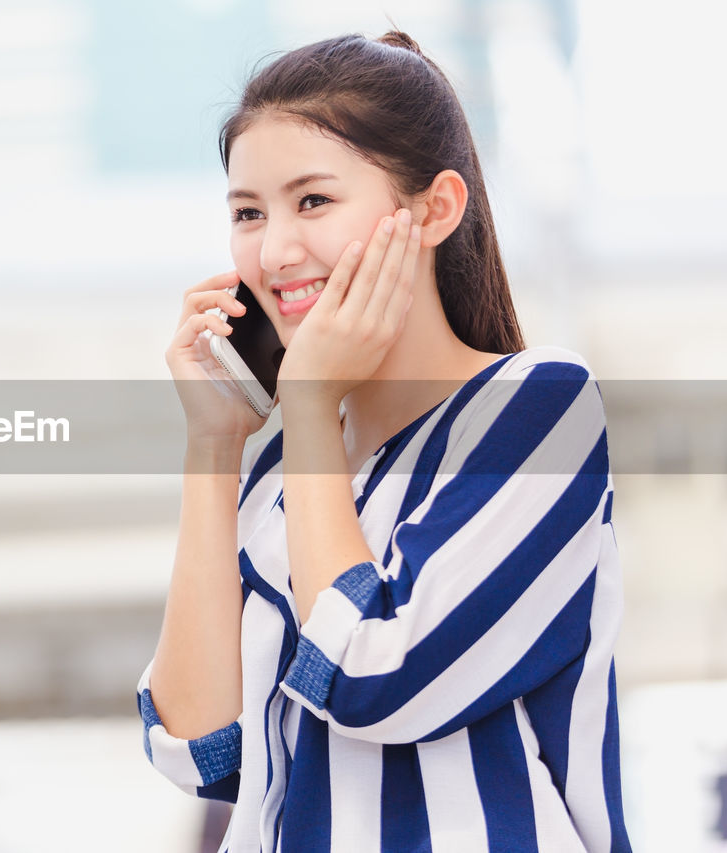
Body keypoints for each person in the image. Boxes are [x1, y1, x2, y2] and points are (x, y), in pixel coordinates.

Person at [136, 31, 631, 852]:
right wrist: (215, 448)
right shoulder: (286, 469)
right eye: (249, 213)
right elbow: (199, 749)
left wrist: (307, 402)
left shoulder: (538, 405)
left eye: (314, 201)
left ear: (435, 208)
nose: (276, 250)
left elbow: (370, 669)